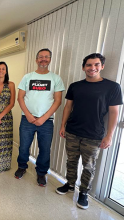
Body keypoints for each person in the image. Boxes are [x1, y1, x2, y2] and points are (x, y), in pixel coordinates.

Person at [56, 53, 122, 209]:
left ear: (102, 66)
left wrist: (109, 136)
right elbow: (68, 107)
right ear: (83, 67)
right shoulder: (75, 86)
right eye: (89, 65)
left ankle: (84, 192)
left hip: (93, 135)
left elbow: (114, 113)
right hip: (72, 131)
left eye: (96, 65)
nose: (92, 68)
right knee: (71, 161)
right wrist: (63, 125)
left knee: (88, 166)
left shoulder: (112, 87)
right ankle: (70, 184)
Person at [15, 48, 65, 187]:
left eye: (46, 57)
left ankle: (42, 173)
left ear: (50, 59)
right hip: (27, 119)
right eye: (41, 57)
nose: (43, 59)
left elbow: (58, 101)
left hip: (46, 121)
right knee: (24, 146)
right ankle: (22, 167)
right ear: (36, 60)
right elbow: (20, 97)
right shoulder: (27, 77)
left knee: (44, 149)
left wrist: (43, 118)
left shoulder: (56, 78)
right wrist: (29, 115)